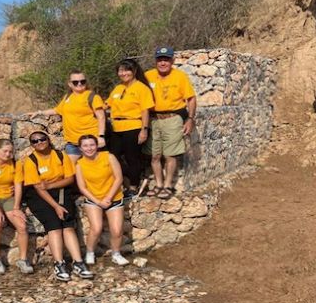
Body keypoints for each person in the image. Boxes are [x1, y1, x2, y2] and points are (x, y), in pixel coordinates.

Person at [23, 131, 93, 281]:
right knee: (54, 226)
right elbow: (38, 188)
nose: (39, 142)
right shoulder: (31, 161)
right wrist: (55, 206)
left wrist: (50, 184)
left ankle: (78, 262)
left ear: (48, 140)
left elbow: (69, 179)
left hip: (59, 190)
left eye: (42, 139)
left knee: (68, 225)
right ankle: (59, 263)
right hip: (39, 196)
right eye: (35, 141)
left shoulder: (60, 156)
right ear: (32, 145)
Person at [144, 46, 197, 199]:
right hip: (154, 120)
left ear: (172, 60)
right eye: (160, 59)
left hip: (173, 119)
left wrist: (190, 119)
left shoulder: (180, 76)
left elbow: (191, 98)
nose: (163, 63)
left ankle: (168, 186)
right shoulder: (148, 76)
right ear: (155, 61)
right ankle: (158, 185)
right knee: (154, 155)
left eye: (166, 59)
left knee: (170, 155)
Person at [0, 139, 33, 275]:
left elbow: (18, 186)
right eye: (5, 151)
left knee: (22, 225)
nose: (8, 154)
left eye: (10, 152)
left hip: (9, 197)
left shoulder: (15, 164)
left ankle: (23, 259)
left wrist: (16, 207)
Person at [74, 135, 129, 266]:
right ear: (80, 148)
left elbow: (118, 178)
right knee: (96, 228)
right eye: (85, 146)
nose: (89, 148)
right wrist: (98, 201)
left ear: (97, 145)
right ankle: (90, 252)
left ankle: (116, 253)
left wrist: (108, 198)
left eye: (92, 145)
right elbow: (82, 187)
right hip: (94, 199)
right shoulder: (79, 164)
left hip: (113, 197)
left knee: (116, 230)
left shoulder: (109, 157)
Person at [106, 58, 154, 196]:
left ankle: (133, 187)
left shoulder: (141, 88)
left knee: (132, 158)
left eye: (127, 70)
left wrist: (144, 130)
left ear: (134, 71)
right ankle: (122, 183)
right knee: (112, 158)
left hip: (133, 126)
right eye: (120, 70)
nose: (123, 73)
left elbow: (145, 110)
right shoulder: (118, 88)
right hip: (116, 128)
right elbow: (107, 104)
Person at [36, 70, 106, 163]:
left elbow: (101, 117)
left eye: (82, 81)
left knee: (94, 169)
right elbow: (56, 110)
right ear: (70, 84)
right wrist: (39, 112)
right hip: (72, 143)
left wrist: (101, 136)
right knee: (71, 172)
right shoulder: (68, 97)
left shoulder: (92, 96)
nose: (80, 84)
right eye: (75, 82)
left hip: (89, 141)